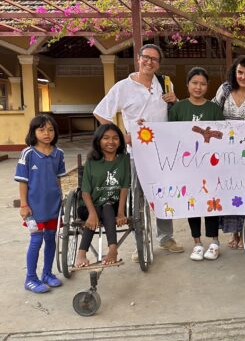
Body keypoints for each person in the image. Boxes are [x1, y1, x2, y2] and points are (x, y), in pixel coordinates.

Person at [93, 44, 184, 261]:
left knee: (163, 195)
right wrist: (121, 137)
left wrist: (176, 100)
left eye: (154, 59)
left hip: (162, 152)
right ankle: (141, 243)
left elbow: (175, 111)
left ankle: (165, 237)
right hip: (137, 153)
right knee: (138, 198)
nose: (149, 62)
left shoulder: (164, 83)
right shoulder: (123, 87)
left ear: (158, 64)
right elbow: (100, 113)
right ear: (138, 58)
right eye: (146, 57)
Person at [169, 67, 224, 261]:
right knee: (192, 203)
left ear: (207, 87)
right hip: (187, 166)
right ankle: (197, 243)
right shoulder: (177, 109)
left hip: (210, 166)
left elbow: (221, 137)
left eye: (202, 84)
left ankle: (214, 241)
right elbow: (171, 137)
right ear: (188, 85)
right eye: (194, 83)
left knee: (211, 202)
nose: (198, 87)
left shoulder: (215, 109)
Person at [213, 55, 245, 249]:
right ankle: (234, 233)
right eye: (240, 72)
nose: (243, 77)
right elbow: (212, 112)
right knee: (230, 191)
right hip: (226, 153)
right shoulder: (224, 90)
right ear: (235, 73)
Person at [15, 115, 66, 293]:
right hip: (34, 207)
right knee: (36, 240)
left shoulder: (58, 153)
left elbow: (59, 180)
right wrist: (23, 205)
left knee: (51, 239)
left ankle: (47, 274)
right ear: (34, 132)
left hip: (53, 206)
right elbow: (22, 181)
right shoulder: (28, 153)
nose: (47, 133)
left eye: (50, 130)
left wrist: (62, 202)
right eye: (42, 129)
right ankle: (30, 278)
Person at [75, 124, 130, 268]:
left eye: (115, 138)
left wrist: (121, 213)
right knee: (101, 208)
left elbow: (125, 187)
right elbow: (85, 191)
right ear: (98, 140)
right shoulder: (92, 161)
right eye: (106, 138)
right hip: (89, 206)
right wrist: (92, 214)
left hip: (113, 205)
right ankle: (81, 253)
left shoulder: (124, 159)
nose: (111, 142)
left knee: (107, 206)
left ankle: (112, 249)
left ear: (120, 141)